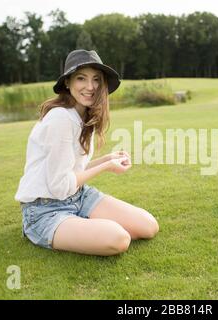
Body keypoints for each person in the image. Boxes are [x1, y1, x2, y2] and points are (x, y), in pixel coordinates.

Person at [15, 49, 159, 256]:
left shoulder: (83, 117)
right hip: (44, 209)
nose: (90, 87)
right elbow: (59, 186)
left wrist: (108, 158)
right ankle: (62, 228)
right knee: (118, 239)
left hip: (78, 196)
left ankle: (79, 225)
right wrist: (107, 166)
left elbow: (72, 170)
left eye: (96, 79)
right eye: (81, 78)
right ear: (67, 82)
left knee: (148, 226)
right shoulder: (60, 118)